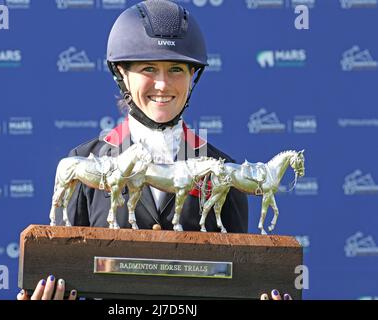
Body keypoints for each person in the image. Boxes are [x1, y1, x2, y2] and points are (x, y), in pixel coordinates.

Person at [18, 0, 289, 300]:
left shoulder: (224, 171)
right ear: (122, 72)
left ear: (192, 77)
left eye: (176, 69)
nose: (162, 84)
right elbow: (65, 263)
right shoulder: (83, 165)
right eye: (149, 68)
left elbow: (239, 281)